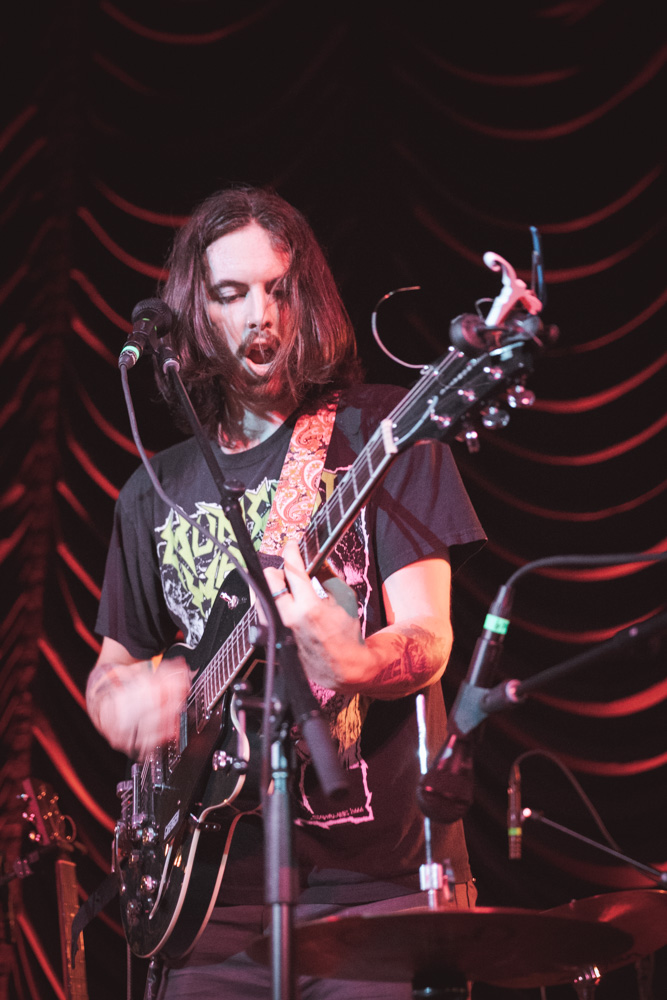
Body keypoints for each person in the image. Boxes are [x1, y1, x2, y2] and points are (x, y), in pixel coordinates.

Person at [86, 186, 486, 998]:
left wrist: (361, 661)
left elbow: (429, 637)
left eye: (277, 290)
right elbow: (112, 666)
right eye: (231, 295)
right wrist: (125, 703)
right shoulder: (150, 490)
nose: (258, 316)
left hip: (374, 891)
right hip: (209, 901)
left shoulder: (383, 438)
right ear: (196, 316)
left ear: (306, 302)